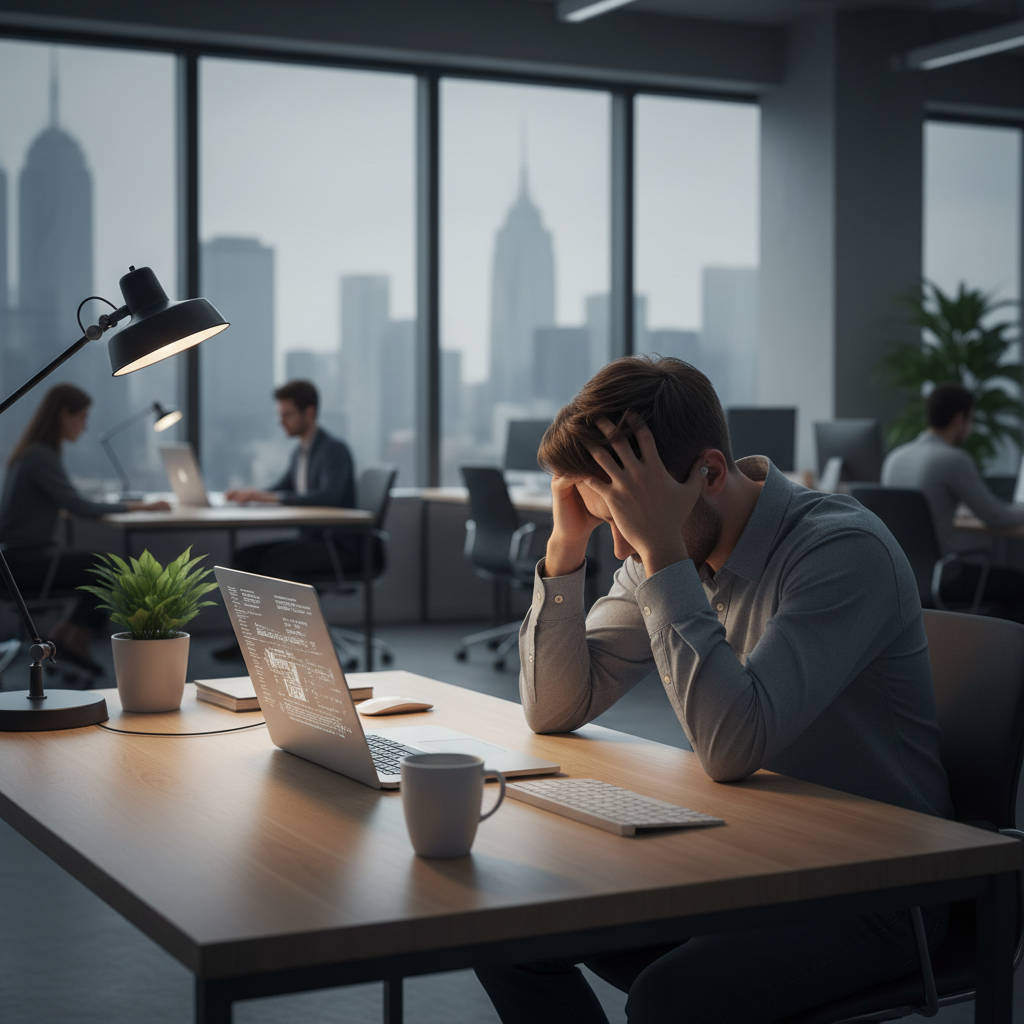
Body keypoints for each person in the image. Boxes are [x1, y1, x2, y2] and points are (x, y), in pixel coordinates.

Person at [475, 356, 953, 1024]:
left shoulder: (842, 552)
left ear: (710, 474)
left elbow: (733, 745)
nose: (621, 550)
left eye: (625, 523)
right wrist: (565, 545)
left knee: (668, 1000)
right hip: (747, 852)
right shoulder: (663, 549)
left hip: (881, 885)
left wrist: (662, 551)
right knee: (502, 928)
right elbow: (555, 707)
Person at [0, 384, 169, 675]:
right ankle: (75, 638)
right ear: (63, 415)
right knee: (109, 566)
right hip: (25, 565)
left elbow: (69, 501)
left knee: (102, 564)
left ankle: (65, 633)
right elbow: (79, 507)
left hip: (16, 561)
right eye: (81, 418)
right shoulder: (40, 456)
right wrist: (138, 507)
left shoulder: (32, 453)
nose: (84, 426)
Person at [881, 381, 1024, 620]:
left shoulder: (895, 458)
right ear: (959, 420)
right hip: (942, 576)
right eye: (971, 420)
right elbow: (995, 517)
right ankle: (1006, 653)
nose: (971, 428)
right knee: (1018, 583)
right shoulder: (953, 459)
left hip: (897, 575)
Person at [224, 379, 357, 578]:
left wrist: (269, 498)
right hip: (311, 540)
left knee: (273, 563)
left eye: (288, 415)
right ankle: (251, 611)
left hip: (335, 545)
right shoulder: (300, 452)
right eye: (280, 415)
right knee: (244, 558)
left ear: (309, 412)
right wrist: (252, 495)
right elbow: (282, 488)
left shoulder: (333, 450)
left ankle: (275, 611)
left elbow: (328, 497)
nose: (281, 421)